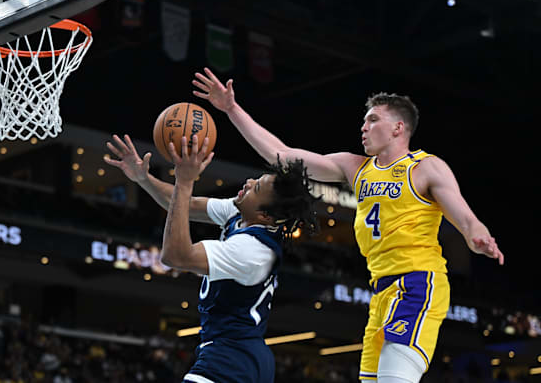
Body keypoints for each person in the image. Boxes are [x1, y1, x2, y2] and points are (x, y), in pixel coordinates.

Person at [192, 67, 504, 383]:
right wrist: (231, 108)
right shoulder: (355, 167)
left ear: (398, 127)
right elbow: (283, 155)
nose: (363, 126)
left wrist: (476, 235)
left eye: (372, 119)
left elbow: (464, 215)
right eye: (364, 120)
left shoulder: (425, 167)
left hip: (417, 283)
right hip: (381, 291)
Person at [104, 134, 318, 383]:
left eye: (256, 187)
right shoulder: (240, 213)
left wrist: (185, 180)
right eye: (255, 179)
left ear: (265, 216)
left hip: (231, 358)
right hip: (241, 356)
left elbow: (175, 256)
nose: (248, 182)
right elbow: (185, 204)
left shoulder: (252, 250)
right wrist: (143, 178)